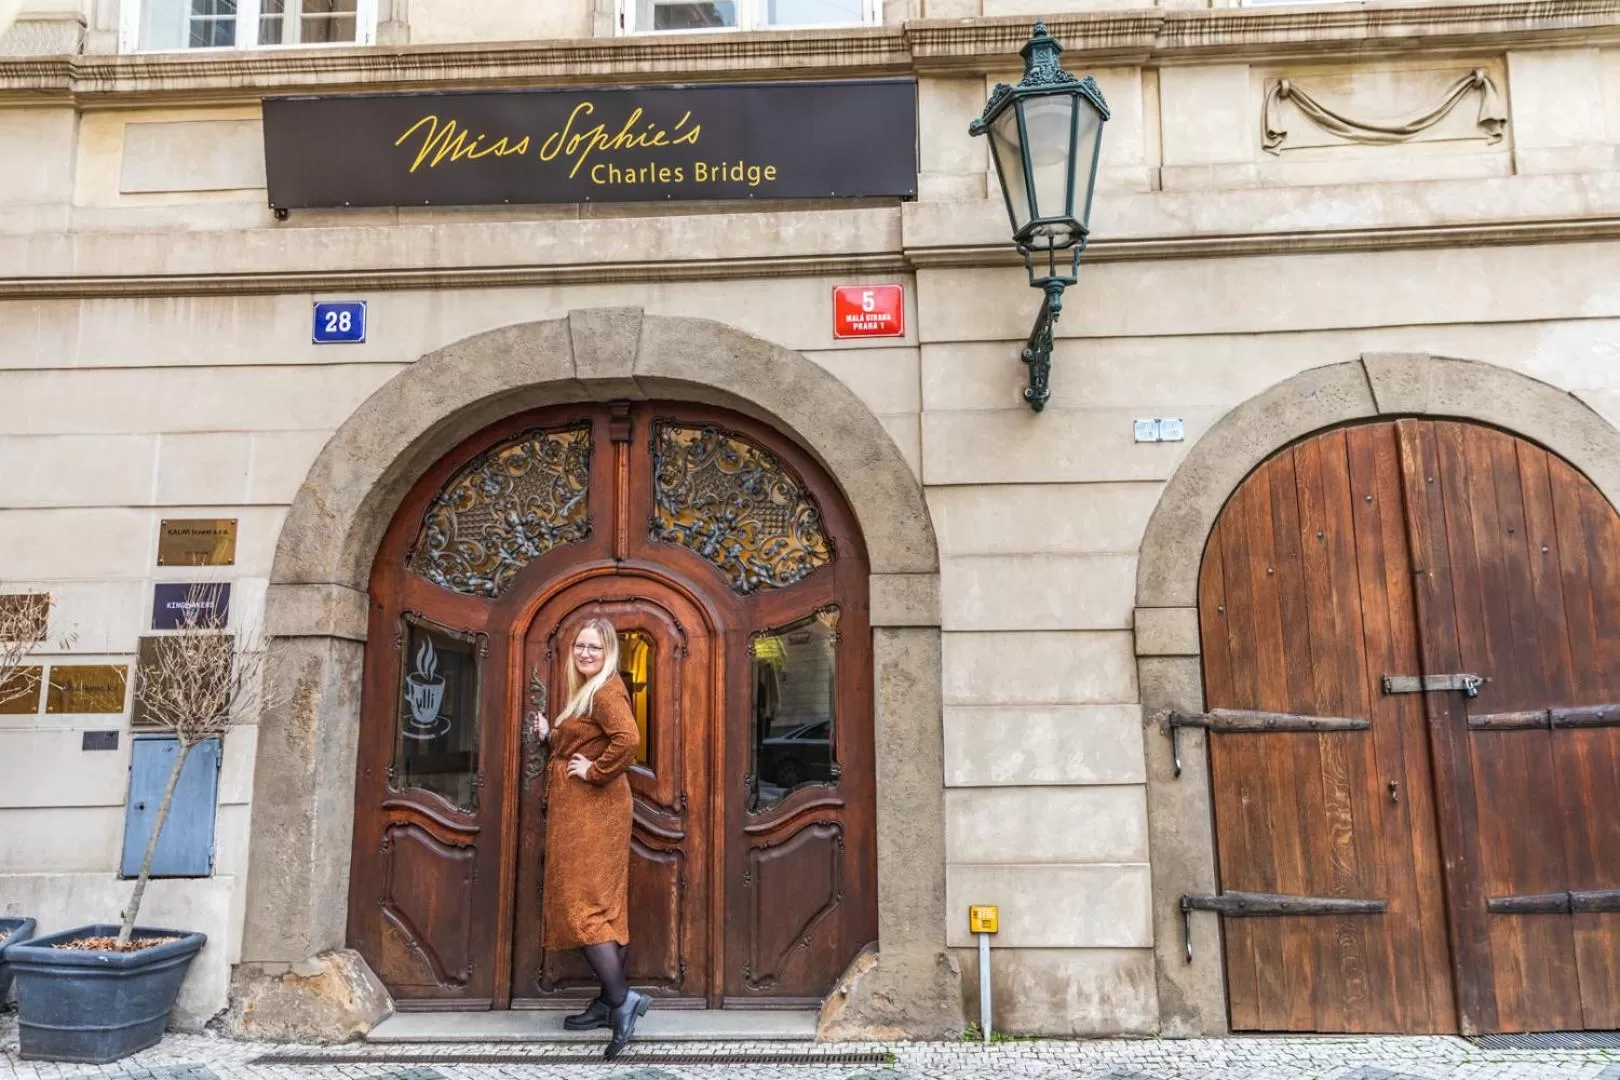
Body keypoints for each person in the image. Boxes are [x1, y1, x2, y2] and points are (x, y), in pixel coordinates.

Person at [529, 617, 647, 1060]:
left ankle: (622, 1002)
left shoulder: (605, 690)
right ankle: (606, 1000)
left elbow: (628, 739)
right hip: (587, 812)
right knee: (600, 904)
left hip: (596, 812)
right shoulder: (589, 690)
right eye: (580, 646)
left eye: (594, 647)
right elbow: (589, 737)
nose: (585, 653)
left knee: (585, 907)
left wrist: (594, 772)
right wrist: (551, 736)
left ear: (608, 651)